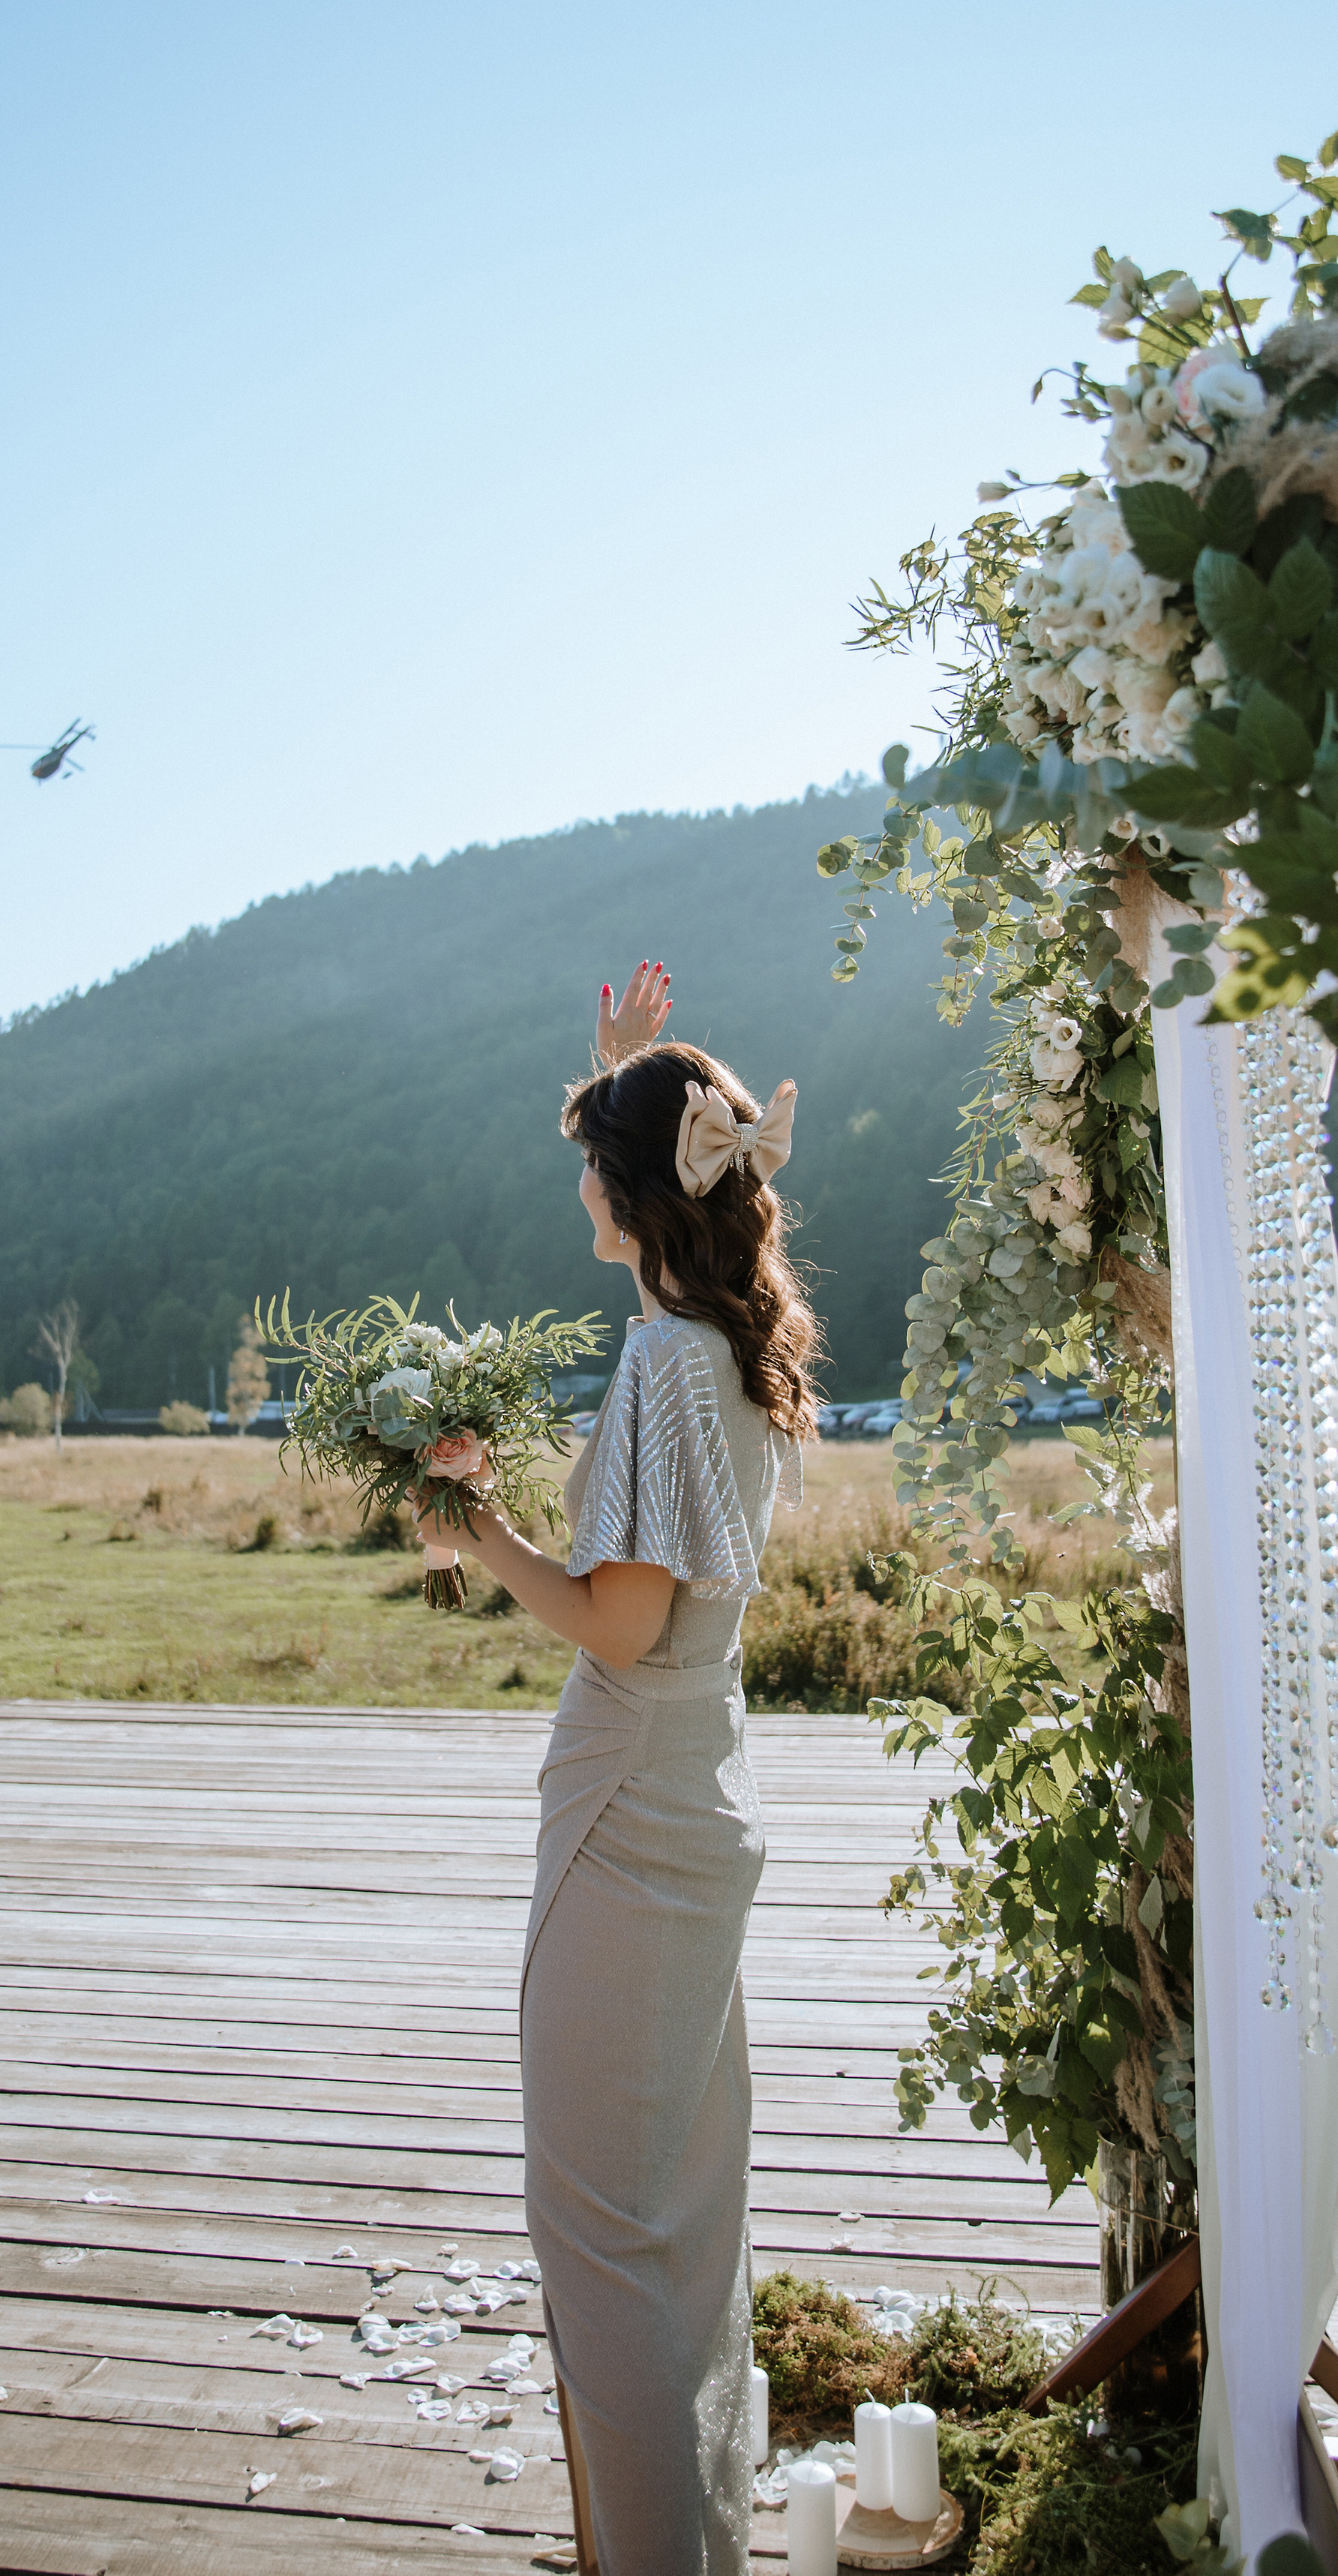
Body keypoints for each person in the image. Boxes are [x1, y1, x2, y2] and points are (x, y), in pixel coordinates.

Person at [415, 963, 816, 2574]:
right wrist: (615, 1074)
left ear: (639, 1192)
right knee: (676, 2219)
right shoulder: (713, 1346)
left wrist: (477, 1530)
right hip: (692, 1804)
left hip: (632, 1824)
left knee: (599, 2238)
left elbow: (620, 1626)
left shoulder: (665, 1368)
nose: (578, 1178)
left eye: (597, 1158)